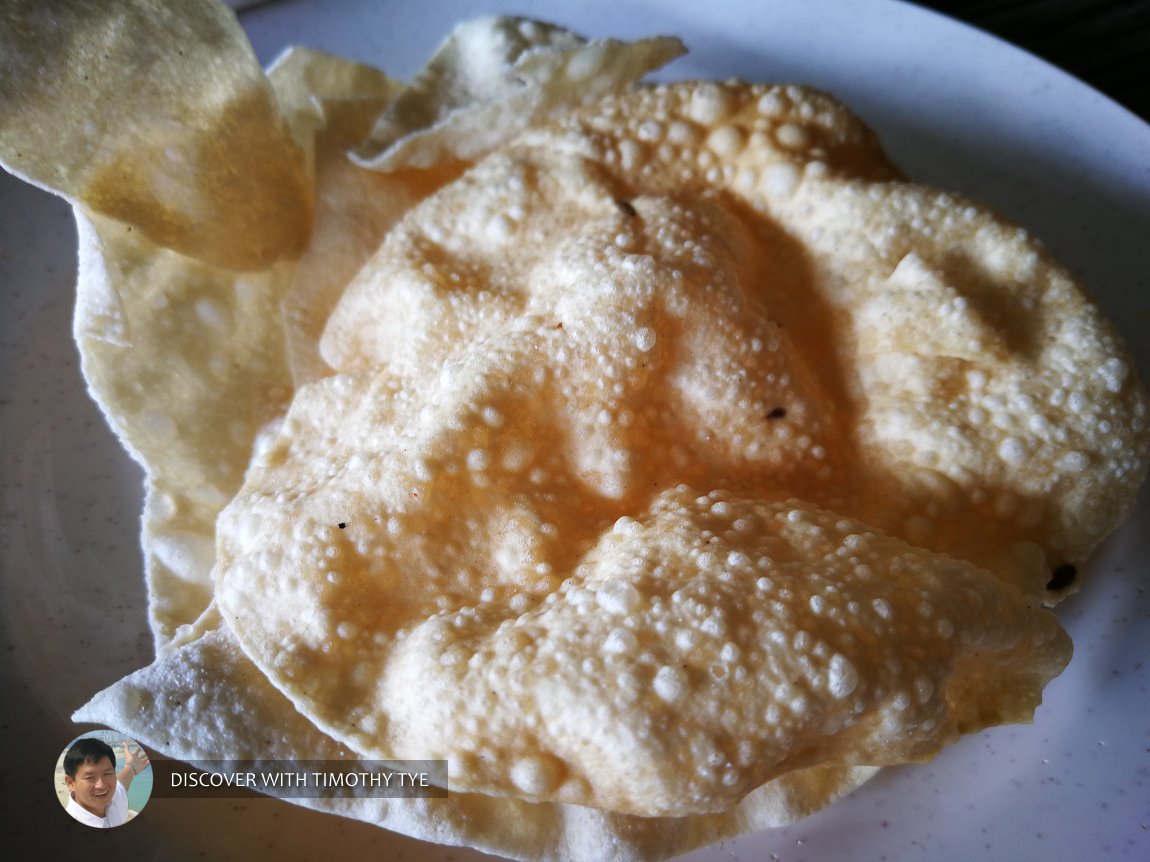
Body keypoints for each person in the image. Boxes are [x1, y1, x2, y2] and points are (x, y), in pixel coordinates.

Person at [62, 737, 149, 828]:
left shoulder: (114, 798)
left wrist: (132, 766)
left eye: (107, 773)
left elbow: (122, 781)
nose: (101, 785)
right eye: (90, 777)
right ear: (70, 783)